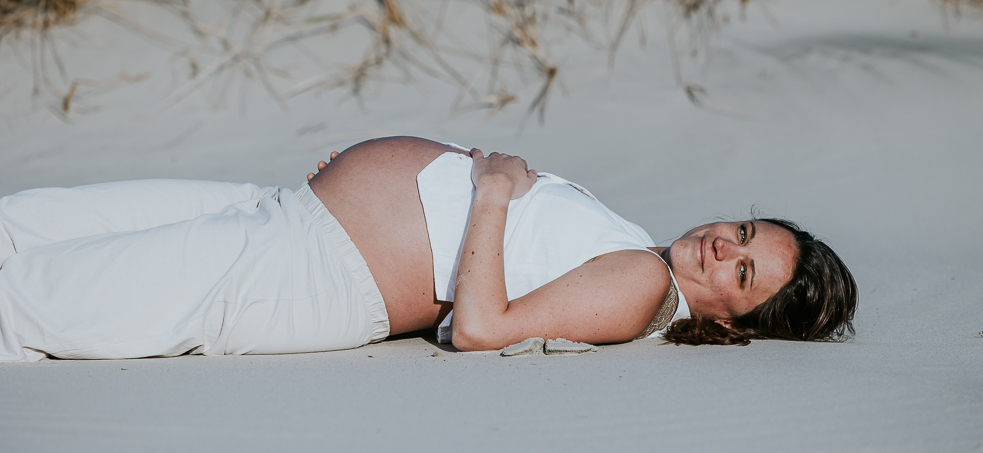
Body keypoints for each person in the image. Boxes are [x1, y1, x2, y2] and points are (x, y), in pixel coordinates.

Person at [0, 137, 856, 362]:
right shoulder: (634, 246)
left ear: (737, 323)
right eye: (743, 233)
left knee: (33, 298)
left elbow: (482, 326)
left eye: (742, 272)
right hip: (287, 214)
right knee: (24, 224)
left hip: (307, 272)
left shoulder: (639, 286)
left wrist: (485, 189)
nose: (720, 246)